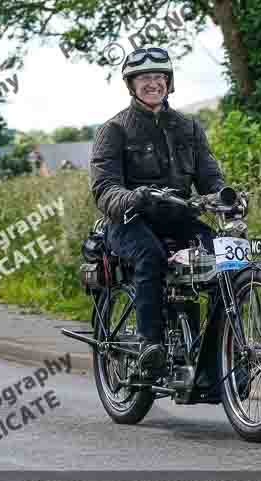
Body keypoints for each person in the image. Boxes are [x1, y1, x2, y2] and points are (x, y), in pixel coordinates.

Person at [89, 46, 227, 382]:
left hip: (178, 218)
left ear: (169, 82)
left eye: (159, 77)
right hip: (129, 221)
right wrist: (133, 198)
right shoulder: (115, 130)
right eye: (144, 78)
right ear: (131, 85)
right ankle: (150, 344)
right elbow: (104, 189)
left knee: (224, 260)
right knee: (150, 255)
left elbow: (210, 178)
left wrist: (223, 197)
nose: (153, 83)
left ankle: (215, 354)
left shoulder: (188, 128)